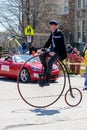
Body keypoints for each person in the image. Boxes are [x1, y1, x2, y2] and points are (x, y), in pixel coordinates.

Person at [39, 19, 67, 86]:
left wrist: (54, 52)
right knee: (41, 55)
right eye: (50, 25)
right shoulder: (52, 33)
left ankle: (47, 80)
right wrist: (42, 49)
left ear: (55, 26)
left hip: (59, 52)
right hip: (53, 50)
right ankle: (45, 70)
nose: (50, 27)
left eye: (51, 25)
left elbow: (61, 45)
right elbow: (48, 42)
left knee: (50, 62)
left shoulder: (59, 33)